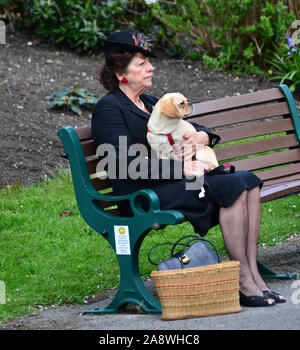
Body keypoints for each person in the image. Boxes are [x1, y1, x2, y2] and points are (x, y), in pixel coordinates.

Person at [92, 30, 285, 307]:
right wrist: (181, 167)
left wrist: (204, 137)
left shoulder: (149, 102)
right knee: (234, 185)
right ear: (121, 73)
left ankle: (255, 278)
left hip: (177, 182)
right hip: (145, 194)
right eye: (142, 63)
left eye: (149, 61)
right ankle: (242, 281)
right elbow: (122, 165)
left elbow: (190, 124)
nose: (151, 67)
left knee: (248, 182)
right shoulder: (109, 109)